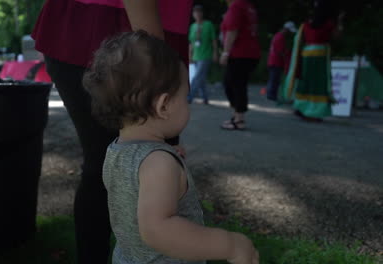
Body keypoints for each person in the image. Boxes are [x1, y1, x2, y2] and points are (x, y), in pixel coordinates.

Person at [31, 0, 193, 263]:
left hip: (141, 34)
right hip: (115, 31)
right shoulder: (150, 59)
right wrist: (160, 66)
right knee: (113, 165)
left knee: (152, 164)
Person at [84, 30, 259, 264]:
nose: (188, 106)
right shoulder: (158, 164)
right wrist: (230, 245)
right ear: (164, 106)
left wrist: (165, 160)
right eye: (185, 98)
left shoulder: (115, 151)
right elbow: (157, 230)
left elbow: (135, 191)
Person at [280, 0, 344, 121]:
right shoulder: (329, 23)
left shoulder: (307, 24)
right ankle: (315, 112)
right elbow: (337, 36)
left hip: (307, 55)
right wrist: (340, 21)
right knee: (318, 84)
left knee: (306, 82)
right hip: (321, 56)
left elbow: (301, 40)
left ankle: (301, 108)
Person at [219, 0, 261, 130]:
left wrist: (225, 52)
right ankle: (238, 114)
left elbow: (232, 31)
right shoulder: (248, 6)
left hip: (240, 53)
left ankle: (239, 119)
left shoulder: (236, 6)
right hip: (250, 52)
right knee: (234, 83)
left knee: (235, 84)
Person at [188, 5, 218, 104]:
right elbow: (191, 43)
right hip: (196, 56)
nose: (197, 14)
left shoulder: (208, 24)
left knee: (197, 76)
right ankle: (205, 97)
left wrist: (215, 53)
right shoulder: (192, 26)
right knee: (202, 78)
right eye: (195, 12)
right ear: (193, 14)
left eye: (199, 12)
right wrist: (190, 55)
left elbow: (213, 40)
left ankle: (190, 96)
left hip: (206, 55)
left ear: (202, 13)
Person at [266, 21, 297, 101]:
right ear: (286, 29)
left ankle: (271, 94)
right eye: (289, 31)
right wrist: (287, 57)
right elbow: (280, 52)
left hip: (272, 61)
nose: (290, 33)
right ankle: (271, 95)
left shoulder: (278, 35)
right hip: (276, 62)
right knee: (274, 79)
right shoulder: (280, 37)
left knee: (273, 79)